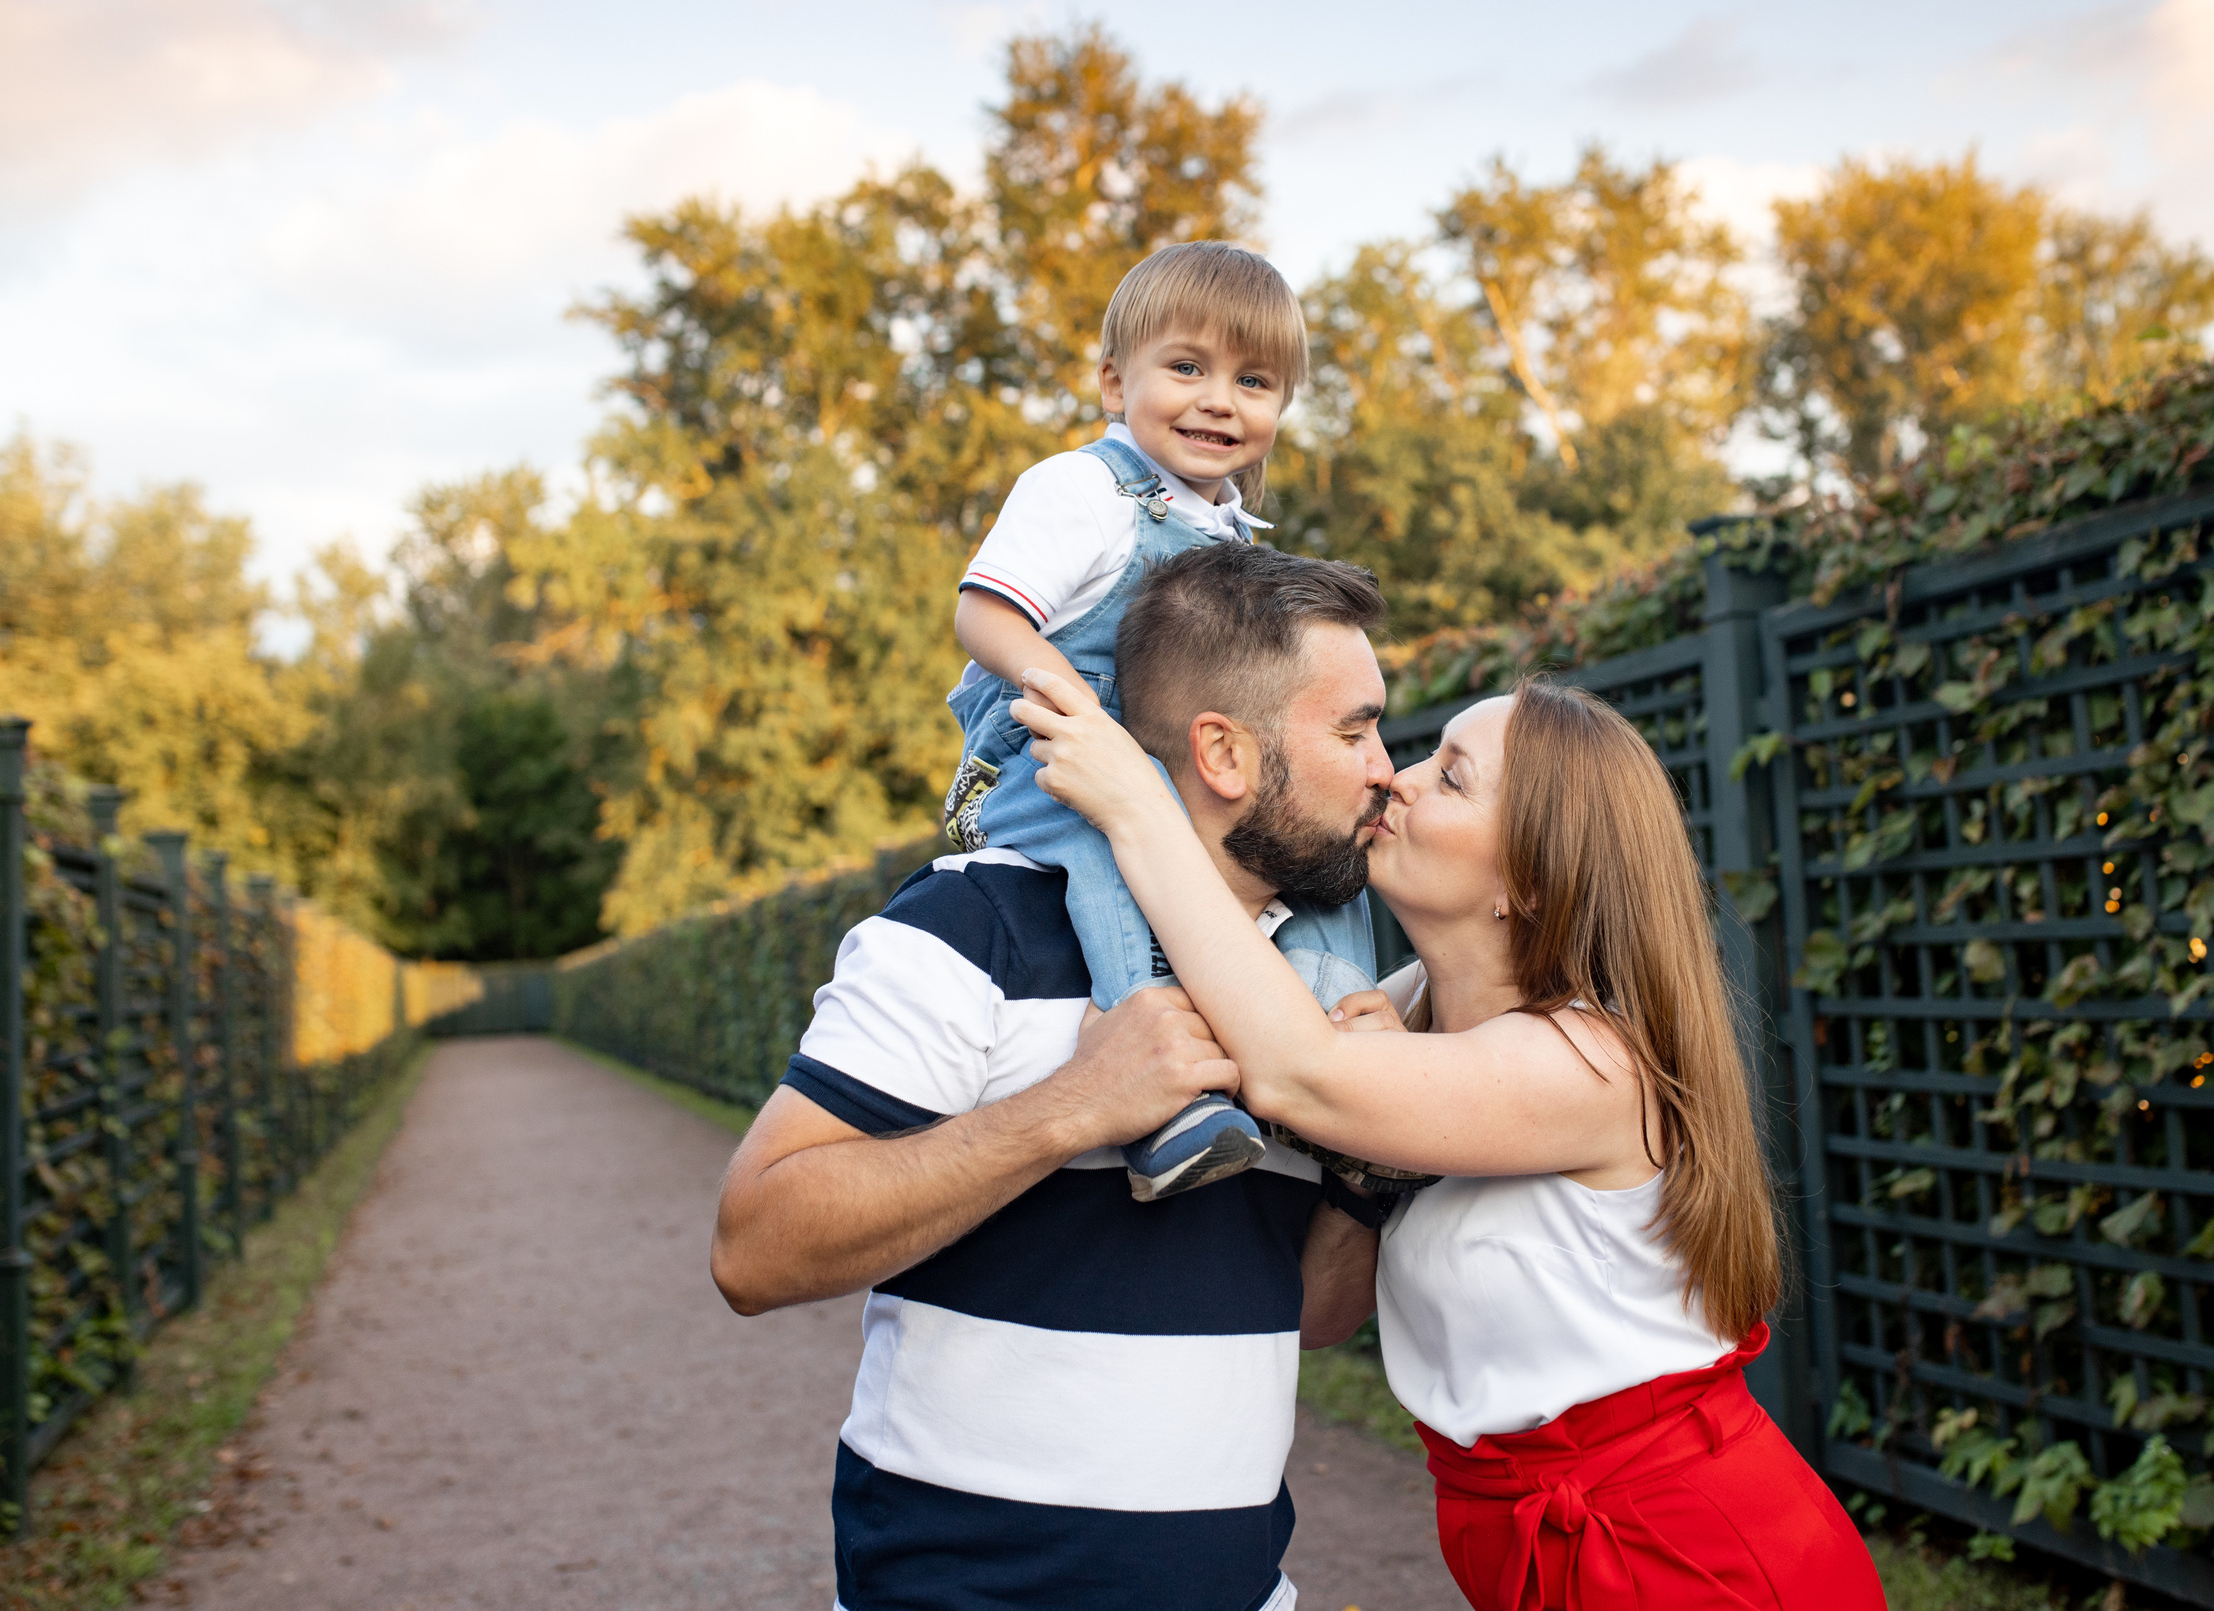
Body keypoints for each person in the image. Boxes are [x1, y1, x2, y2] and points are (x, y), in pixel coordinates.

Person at [1019, 662, 1889, 1610]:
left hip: (1684, 1554)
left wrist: (1136, 809)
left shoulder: (1594, 1063)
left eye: (1453, 776)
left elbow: (1295, 1072)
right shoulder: (1405, 1016)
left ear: (1528, 877)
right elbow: (1318, 1312)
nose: (1398, 776)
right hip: (1517, 1539)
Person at [709, 548, 1410, 1611]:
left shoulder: (1310, 998)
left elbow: (1300, 1313)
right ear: (1222, 750)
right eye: (1353, 730)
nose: (1385, 769)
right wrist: (1075, 1106)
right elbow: (755, 1246)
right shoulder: (973, 922)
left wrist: (1363, 1174)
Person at [942, 239, 1387, 1202]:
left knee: (1323, 863)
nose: (1220, 400)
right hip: (1052, 757)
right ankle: (1159, 1089)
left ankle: (1337, 1066)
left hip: (1178, 764)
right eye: (1188, 368)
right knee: (1117, 850)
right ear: (1114, 381)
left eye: (1254, 380)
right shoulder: (1083, 490)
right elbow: (982, 613)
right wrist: (1076, 717)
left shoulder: (1230, 528)